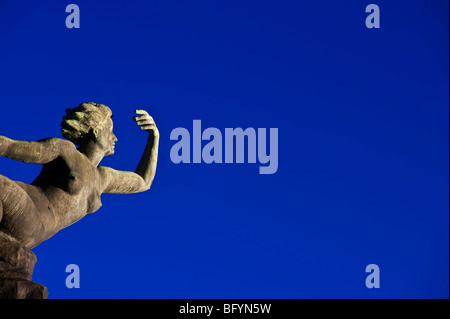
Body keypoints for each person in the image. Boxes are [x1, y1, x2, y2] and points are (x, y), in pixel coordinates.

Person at [0, 102, 159, 249]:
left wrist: (154, 137)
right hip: (27, 209)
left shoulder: (102, 178)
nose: (115, 137)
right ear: (96, 131)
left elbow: (144, 182)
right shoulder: (66, 151)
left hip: (35, 234)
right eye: (110, 130)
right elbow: (9, 147)